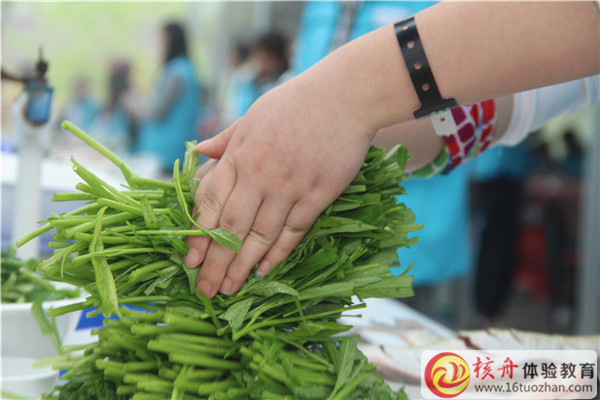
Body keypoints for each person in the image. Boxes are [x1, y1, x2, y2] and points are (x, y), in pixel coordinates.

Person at [184, 1, 599, 298]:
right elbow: (486, 112)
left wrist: (340, 99)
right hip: (312, 241)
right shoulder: (321, 8)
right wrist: (306, 135)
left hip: (409, 239)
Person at [123, 22, 201, 172]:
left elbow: (158, 112)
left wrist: (135, 107)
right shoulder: (187, 68)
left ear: (172, 39)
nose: (159, 43)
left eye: (162, 38)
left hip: (167, 151)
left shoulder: (176, 72)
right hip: (176, 148)